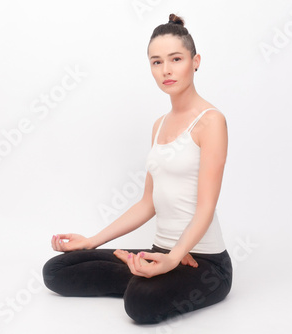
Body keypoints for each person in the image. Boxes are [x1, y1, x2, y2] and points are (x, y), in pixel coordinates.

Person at [42, 13, 233, 324]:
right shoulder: (159, 125)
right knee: (58, 270)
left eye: (176, 59)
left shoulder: (211, 122)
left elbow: (206, 207)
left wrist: (175, 257)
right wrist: (92, 240)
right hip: (162, 252)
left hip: (205, 263)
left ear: (195, 61)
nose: (166, 70)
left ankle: (151, 280)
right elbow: (148, 203)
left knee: (139, 304)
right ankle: (148, 274)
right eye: (156, 62)